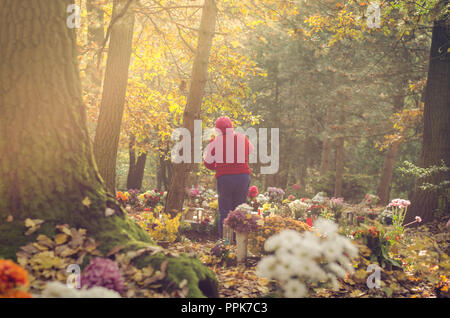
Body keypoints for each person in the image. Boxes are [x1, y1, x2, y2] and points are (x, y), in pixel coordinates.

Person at [204, 116, 254, 241]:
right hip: (243, 177)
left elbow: (207, 163)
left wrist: (220, 166)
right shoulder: (242, 138)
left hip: (225, 178)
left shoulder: (215, 141)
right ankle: (240, 242)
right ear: (231, 127)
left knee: (225, 211)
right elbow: (250, 151)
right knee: (240, 211)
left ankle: (225, 242)